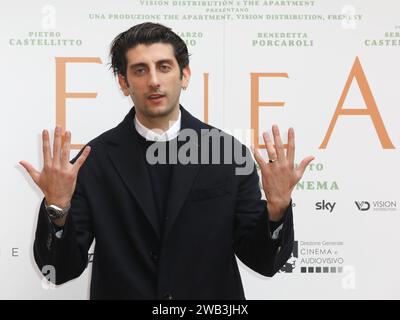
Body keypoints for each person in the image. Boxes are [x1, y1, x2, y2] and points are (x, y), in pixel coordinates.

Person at [19, 22, 314, 300]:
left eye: (164, 67)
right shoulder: (94, 162)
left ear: (184, 75)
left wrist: (277, 210)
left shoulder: (227, 152)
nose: (154, 81)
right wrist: (57, 208)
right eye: (140, 70)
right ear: (124, 83)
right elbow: (59, 270)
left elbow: (264, 262)